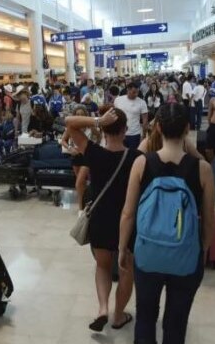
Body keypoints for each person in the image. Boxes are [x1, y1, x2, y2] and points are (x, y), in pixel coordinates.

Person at [119, 103, 215, 344]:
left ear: (158, 127)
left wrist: (122, 248)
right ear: (187, 128)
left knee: (145, 317)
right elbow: (209, 218)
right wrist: (202, 249)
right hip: (186, 256)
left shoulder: (142, 163)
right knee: (176, 322)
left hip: (148, 255)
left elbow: (128, 213)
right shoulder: (202, 169)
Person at [66, 106, 141, 332]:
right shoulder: (137, 158)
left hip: (99, 219)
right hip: (127, 222)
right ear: (126, 130)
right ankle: (118, 315)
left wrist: (97, 120)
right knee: (127, 269)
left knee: (102, 266)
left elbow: (69, 123)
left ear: (104, 130)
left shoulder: (93, 152)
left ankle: (102, 308)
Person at [138, 118, 205, 160]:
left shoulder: (148, 142)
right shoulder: (184, 141)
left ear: (158, 127)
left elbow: (135, 161)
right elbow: (200, 159)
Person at [115, 82, 149, 149]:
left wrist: (144, 135)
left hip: (134, 134)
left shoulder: (142, 102)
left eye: (137, 92)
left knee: (133, 155)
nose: (136, 94)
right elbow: (115, 115)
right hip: (120, 133)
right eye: (134, 92)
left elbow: (145, 120)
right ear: (128, 90)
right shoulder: (118, 100)